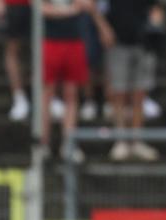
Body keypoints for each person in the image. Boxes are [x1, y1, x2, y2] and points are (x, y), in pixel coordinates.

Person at [42, 0, 113, 162]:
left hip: (74, 40)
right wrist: (71, 10)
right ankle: (43, 143)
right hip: (50, 40)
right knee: (46, 94)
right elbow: (41, 9)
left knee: (72, 94)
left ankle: (68, 143)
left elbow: (87, 4)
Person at [105, 0, 163, 161]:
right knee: (119, 93)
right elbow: (98, 7)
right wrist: (103, 27)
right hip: (118, 41)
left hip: (143, 43)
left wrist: (154, 26)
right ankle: (120, 140)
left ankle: (137, 140)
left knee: (139, 94)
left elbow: (156, 8)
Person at [0, 0, 32, 121]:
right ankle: (19, 96)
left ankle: (50, 95)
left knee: (41, 49)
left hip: (39, 5)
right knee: (12, 50)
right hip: (12, 5)